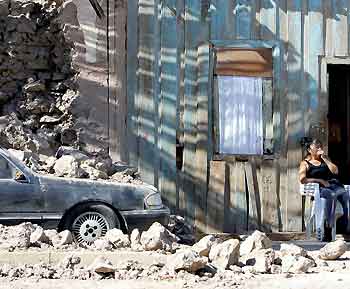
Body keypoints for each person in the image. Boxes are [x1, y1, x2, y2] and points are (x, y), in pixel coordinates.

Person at [299, 139, 349, 241]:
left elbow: (335, 171)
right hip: (320, 188)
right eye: (316, 147)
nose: (319, 148)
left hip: (333, 184)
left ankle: (346, 223)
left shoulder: (326, 159)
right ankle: (328, 227)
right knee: (331, 195)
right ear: (309, 150)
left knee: (345, 194)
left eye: (320, 146)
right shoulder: (305, 163)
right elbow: (302, 179)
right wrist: (320, 180)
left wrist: (325, 159)